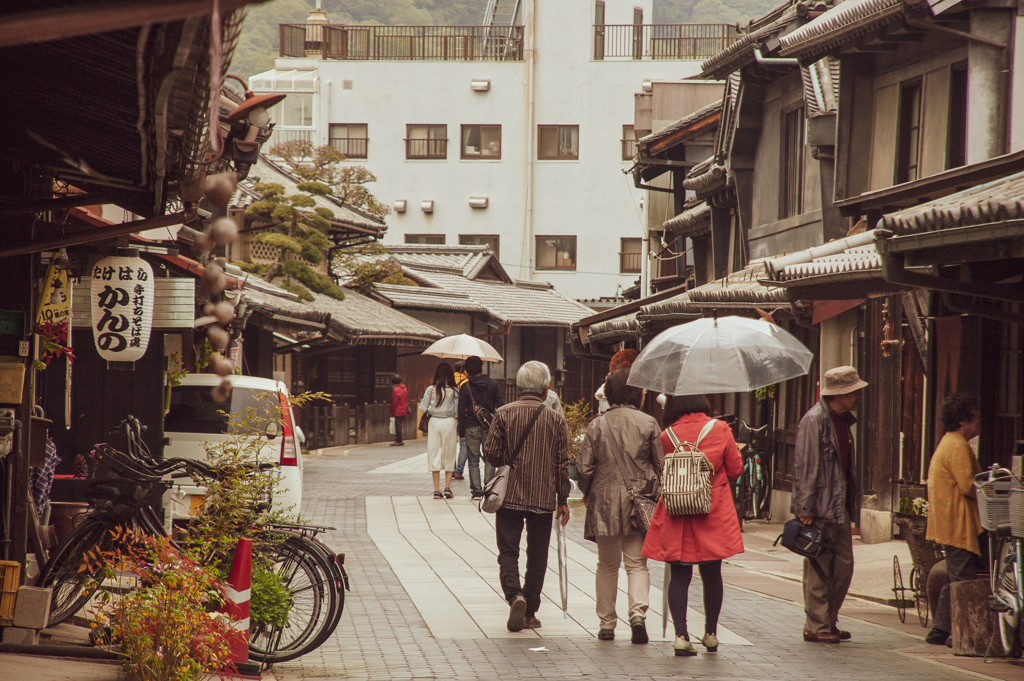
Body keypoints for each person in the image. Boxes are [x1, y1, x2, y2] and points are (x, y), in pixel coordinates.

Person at [642, 394, 742, 657]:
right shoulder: (719, 429)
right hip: (712, 508)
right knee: (712, 574)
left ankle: (681, 637)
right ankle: (710, 634)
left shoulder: (668, 435)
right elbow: (735, 469)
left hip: (677, 512)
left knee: (679, 575)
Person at [484, 361, 571, 632]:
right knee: (538, 556)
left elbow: (493, 455)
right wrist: (563, 499)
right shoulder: (556, 419)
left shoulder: (503, 413)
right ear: (546, 391)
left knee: (508, 552)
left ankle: (515, 596)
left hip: (509, 496)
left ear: (519, 388)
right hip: (543, 498)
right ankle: (529, 611)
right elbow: (561, 462)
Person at [576, 370, 662, 644]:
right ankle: (637, 615)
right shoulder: (648, 422)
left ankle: (607, 623)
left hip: (604, 503)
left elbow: (584, 467)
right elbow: (660, 467)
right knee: (636, 564)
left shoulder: (597, 425)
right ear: (635, 393)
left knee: (607, 564)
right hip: (639, 502)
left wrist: (588, 491)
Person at [792, 365, 867, 644]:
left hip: (839, 506)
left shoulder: (842, 420)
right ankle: (817, 624)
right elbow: (806, 466)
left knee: (843, 566)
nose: (858, 395)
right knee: (819, 567)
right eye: (854, 391)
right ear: (840, 394)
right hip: (820, 507)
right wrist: (805, 509)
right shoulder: (815, 421)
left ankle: (828, 620)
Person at [925, 393, 984, 647]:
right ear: (963, 420)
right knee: (962, 578)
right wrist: (988, 487)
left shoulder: (948, 442)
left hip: (948, 519)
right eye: (975, 417)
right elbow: (967, 485)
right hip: (957, 521)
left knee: (953, 576)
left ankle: (939, 628)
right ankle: (959, 632)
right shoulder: (958, 445)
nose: (979, 420)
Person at [458, 355, 504, 499]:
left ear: (467, 370)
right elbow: (501, 406)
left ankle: (476, 491)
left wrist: (461, 431)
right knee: (490, 458)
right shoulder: (493, 384)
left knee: (473, 460)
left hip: (471, 426)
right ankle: (489, 488)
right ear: (482, 367)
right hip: (489, 426)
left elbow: (461, 411)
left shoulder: (465, 386)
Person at [419, 363, 460, 499]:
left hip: (434, 422)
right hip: (449, 422)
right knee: (450, 452)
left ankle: (437, 490)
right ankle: (448, 487)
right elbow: (457, 411)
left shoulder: (430, 389)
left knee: (434, 451)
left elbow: (423, 408)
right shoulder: (455, 391)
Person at [452, 361, 470, 481]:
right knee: (463, 444)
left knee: (451, 445)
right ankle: (459, 471)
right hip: (464, 416)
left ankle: (451, 469)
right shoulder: (467, 384)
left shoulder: (449, 381)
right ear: (465, 371)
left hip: (450, 418)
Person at [390, 374, 408, 447]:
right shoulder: (404, 388)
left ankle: (399, 440)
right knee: (399, 425)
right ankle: (398, 439)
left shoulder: (396, 390)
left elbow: (394, 402)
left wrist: (392, 410)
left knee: (397, 425)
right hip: (403, 408)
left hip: (398, 409)